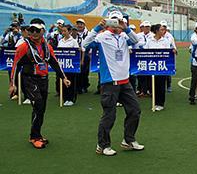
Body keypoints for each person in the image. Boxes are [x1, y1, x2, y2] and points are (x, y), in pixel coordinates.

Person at [82, 11, 144, 156]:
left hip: (125, 81)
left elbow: (136, 41)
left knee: (135, 110)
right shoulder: (101, 37)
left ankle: (128, 140)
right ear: (109, 21)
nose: (116, 23)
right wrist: (97, 28)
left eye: (119, 20)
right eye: (114, 20)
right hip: (110, 82)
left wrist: (126, 28)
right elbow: (85, 44)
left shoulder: (124, 36)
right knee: (109, 114)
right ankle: (102, 145)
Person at [8, 18, 71, 149]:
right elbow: (15, 65)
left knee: (41, 109)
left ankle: (36, 134)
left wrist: (64, 78)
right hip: (29, 80)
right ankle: (34, 136)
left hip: (43, 80)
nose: (34, 33)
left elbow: (54, 62)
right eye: (31, 30)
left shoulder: (46, 46)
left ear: (43, 31)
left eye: (37, 30)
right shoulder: (24, 46)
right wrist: (12, 84)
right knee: (38, 104)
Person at [144, 24, 174, 111]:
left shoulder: (165, 41)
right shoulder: (150, 40)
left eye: (164, 30)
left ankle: (160, 103)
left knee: (161, 85)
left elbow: (167, 52)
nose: (163, 31)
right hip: (152, 66)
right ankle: (154, 102)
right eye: (161, 30)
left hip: (161, 66)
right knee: (152, 84)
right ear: (156, 31)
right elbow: (145, 50)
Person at [58, 24, 80, 106]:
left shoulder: (74, 41)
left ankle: (71, 98)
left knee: (71, 81)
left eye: (65, 31)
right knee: (63, 81)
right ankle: (65, 98)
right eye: (62, 31)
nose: (63, 33)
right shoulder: (60, 41)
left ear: (70, 31)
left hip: (71, 65)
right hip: (63, 65)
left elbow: (77, 52)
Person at [136, 21, 152, 96]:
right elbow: (134, 43)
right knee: (141, 75)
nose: (146, 28)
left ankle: (149, 90)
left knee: (149, 75)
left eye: (148, 27)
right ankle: (142, 90)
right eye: (145, 27)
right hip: (140, 57)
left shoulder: (152, 35)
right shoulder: (138, 35)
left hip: (149, 57)